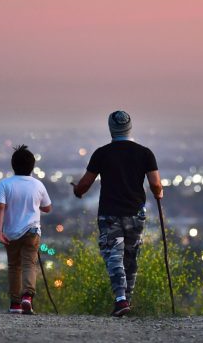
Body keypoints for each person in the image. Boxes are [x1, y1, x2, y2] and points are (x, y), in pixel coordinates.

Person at [71, 110, 163, 317]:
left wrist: (77, 191)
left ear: (110, 128)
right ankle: (126, 300)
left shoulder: (102, 153)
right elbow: (155, 184)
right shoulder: (145, 153)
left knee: (114, 256)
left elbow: (85, 183)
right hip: (135, 214)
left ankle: (121, 299)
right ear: (130, 127)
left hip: (110, 214)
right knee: (131, 258)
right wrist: (159, 193)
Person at [0, 145, 52, 315]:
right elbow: (47, 208)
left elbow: (0, 207)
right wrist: (33, 205)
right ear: (32, 166)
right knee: (29, 265)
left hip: (11, 233)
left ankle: (15, 304)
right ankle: (27, 296)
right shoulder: (38, 185)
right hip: (32, 231)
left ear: (13, 165)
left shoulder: (5, 184)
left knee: (13, 266)